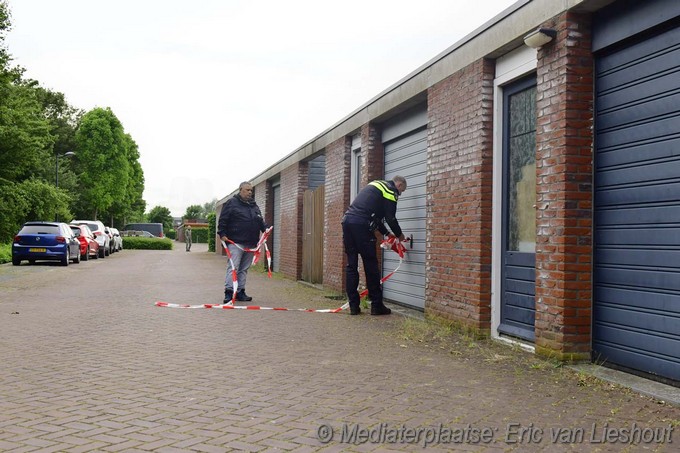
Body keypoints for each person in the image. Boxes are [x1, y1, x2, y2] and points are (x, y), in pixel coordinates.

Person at [342, 176, 407, 316]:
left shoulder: (376, 185)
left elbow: (374, 217)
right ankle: (376, 306)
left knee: (351, 265)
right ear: (399, 184)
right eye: (401, 191)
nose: (399, 195)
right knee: (371, 264)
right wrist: (400, 235)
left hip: (348, 221)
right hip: (361, 225)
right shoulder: (391, 190)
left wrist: (387, 234)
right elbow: (391, 218)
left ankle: (354, 307)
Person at [217, 181, 267, 303]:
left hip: (251, 243)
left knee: (244, 268)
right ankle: (229, 292)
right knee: (233, 267)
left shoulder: (254, 205)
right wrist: (222, 234)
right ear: (240, 190)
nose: (250, 192)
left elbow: (260, 220)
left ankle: (240, 291)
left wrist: (266, 230)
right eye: (247, 190)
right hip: (235, 242)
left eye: (251, 190)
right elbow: (223, 220)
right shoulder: (232, 203)